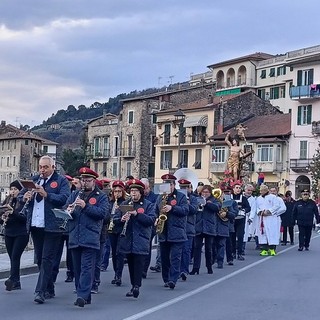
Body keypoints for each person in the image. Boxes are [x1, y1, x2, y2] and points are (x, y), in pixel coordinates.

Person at [21, 155, 70, 304]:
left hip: (52, 226)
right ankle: (49, 287)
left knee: (47, 258)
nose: (42, 170)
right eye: (41, 167)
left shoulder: (61, 181)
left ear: (52, 167)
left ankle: (39, 291)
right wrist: (24, 197)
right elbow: (20, 195)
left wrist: (46, 194)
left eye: (45, 167)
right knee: (39, 260)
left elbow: (64, 199)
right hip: (36, 225)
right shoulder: (34, 179)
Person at [66, 167, 108, 307]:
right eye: (82, 180)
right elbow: (67, 207)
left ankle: (82, 296)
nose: (84, 183)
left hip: (91, 237)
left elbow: (103, 214)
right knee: (77, 269)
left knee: (86, 268)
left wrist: (86, 206)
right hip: (75, 236)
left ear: (94, 181)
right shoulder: (75, 194)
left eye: (87, 181)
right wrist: (68, 210)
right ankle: (85, 295)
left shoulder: (101, 196)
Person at [115, 179, 155, 298]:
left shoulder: (148, 205)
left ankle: (137, 285)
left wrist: (137, 214)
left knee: (138, 263)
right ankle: (133, 286)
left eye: (136, 191)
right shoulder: (124, 205)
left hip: (141, 239)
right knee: (131, 264)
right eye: (132, 191)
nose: (133, 193)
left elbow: (151, 220)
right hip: (127, 238)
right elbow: (115, 219)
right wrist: (121, 220)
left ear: (141, 192)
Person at [156, 174, 188, 289]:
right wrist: (156, 219)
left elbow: (185, 210)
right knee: (164, 258)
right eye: (165, 184)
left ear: (174, 185)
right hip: (164, 232)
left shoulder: (181, 197)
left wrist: (172, 208)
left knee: (175, 258)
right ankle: (166, 279)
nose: (167, 187)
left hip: (177, 232)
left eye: (169, 185)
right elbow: (156, 210)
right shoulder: (160, 197)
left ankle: (173, 279)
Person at [0, 180, 29, 291]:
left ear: (20, 190)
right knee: (12, 256)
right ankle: (16, 281)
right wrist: (2, 217)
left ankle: (13, 279)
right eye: (11, 189)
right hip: (9, 232)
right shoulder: (7, 200)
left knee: (15, 256)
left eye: (15, 189)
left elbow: (24, 218)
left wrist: (13, 212)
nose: (13, 192)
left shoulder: (24, 202)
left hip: (21, 233)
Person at [52, 174, 77, 284]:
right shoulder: (58, 193)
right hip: (59, 226)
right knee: (56, 253)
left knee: (70, 252)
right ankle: (53, 275)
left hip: (69, 227)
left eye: (68, 182)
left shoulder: (74, 194)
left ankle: (70, 273)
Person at [191, 184, 221, 275]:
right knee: (197, 248)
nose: (205, 194)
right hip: (198, 226)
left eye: (207, 192)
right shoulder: (197, 199)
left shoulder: (214, 200)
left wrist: (207, 204)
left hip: (209, 226)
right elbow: (194, 209)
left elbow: (217, 208)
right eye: (203, 192)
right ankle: (196, 268)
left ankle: (209, 267)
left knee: (209, 248)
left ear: (210, 193)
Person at [256, 184, 286, 256]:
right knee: (263, 233)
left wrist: (269, 211)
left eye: (263, 190)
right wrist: (260, 212)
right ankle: (264, 249)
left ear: (266, 190)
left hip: (271, 218)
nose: (261, 191)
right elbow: (256, 207)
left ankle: (272, 249)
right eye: (260, 190)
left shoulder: (273, 197)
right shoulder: (258, 198)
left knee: (272, 233)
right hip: (262, 218)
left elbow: (277, 206)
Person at [107, 180, 127, 286]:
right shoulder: (110, 203)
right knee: (114, 252)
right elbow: (107, 215)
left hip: (121, 229)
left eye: (119, 191)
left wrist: (118, 219)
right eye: (115, 191)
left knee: (120, 253)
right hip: (112, 230)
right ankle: (116, 273)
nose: (117, 193)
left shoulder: (126, 202)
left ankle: (118, 275)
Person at [177, 179, 197, 280]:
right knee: (177, 251)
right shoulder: (176, 198)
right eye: (181, 188)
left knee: (186, 250)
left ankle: (184, 270)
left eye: (185, 188)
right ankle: (176, 270)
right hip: (178, 227)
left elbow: (194, 210)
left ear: (189, 188)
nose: (183, 189)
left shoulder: (193, 198)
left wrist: (188, 204)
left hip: (189, 227)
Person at [140, 178, 159, 278]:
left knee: (147, 248)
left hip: (149, 225)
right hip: (138, 226)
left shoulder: (155, 197)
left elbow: (156, 210)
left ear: (149, 188)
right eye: (142, 188)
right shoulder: (138, 197)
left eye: (145, 188)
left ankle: (144, 270)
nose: (144, 190)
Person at [230, 182, 251, 260]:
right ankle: (232, 253)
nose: (238, 189)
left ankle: (239, 253)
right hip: (232, 219)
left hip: (241, 219)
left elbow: (248, 208)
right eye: (236, 188)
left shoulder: (244, 198)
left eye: (239, 188)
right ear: (233, 189)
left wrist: (243, 209)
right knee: (232, 236)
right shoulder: (230, 197)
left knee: (240, 236)